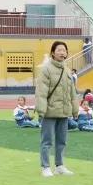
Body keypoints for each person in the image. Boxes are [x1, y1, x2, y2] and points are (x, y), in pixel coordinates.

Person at [35, 41, 78, 177]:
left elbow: (72, 92)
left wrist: (75, 109)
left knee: (62, 141)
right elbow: (41, 92)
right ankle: (45, 167)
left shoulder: (67, 70)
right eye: (59, 50)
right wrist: (41, 110)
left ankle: (59, 166)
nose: (62, 52)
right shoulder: (46, 69)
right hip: (49, 111)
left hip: (64, 111)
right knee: (47, 141)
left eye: (64, 50)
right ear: (53, 53)